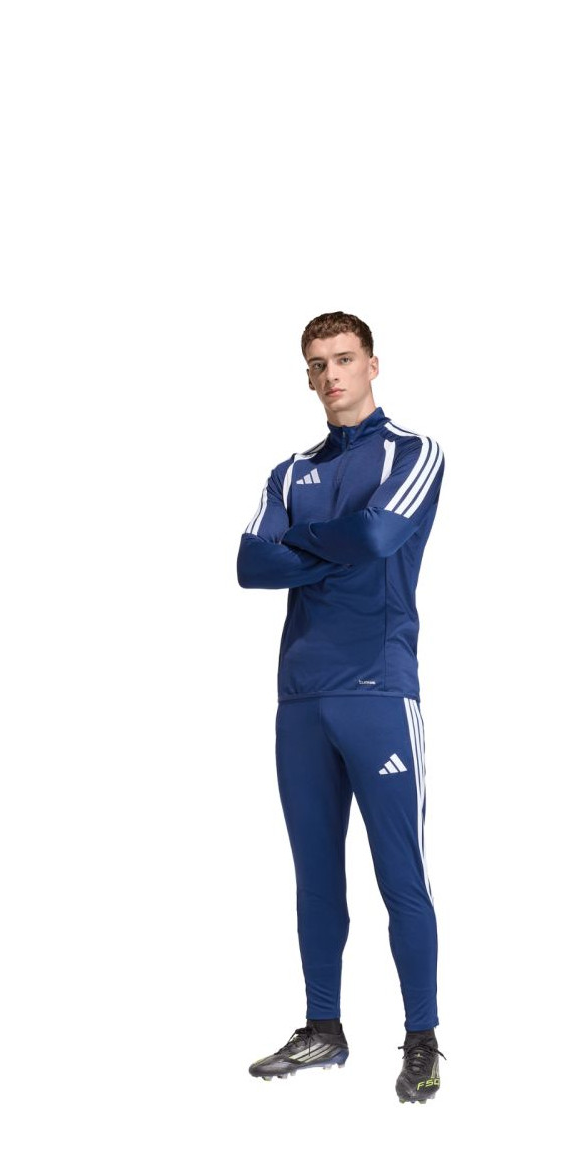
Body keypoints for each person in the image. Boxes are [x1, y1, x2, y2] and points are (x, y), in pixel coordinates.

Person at [236, 311, 446, 1105]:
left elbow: (380, 536)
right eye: (317, 364)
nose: (331, 376)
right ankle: (323, 1029)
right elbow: (250, 563)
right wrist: (339, 544)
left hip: (378, 690)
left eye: (344, 359)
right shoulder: (290, 472)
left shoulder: (412, 452)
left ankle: (421, 1040)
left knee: (401, 876)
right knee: (315, 877)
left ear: (372, 365)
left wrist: (305, 548)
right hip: (301, 696)